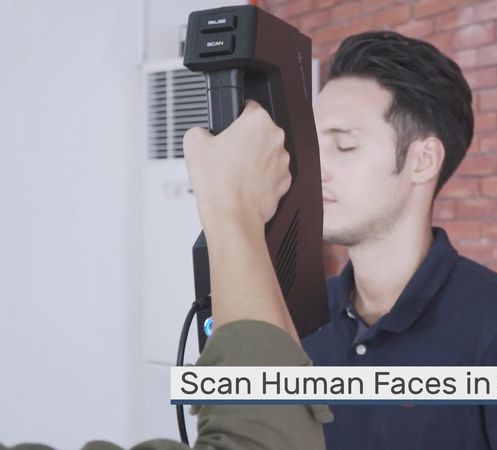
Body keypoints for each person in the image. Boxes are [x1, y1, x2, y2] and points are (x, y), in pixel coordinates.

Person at [302, 31, 497, 449]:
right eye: (311, 143)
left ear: (423, 161)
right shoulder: (301, 318)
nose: (314, 166)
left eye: (343, 145)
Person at [2, 101, 331, 450]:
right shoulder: (312, 318)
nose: (324, 168)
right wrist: (233, 204)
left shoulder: (303, 320)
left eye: (346, 145)